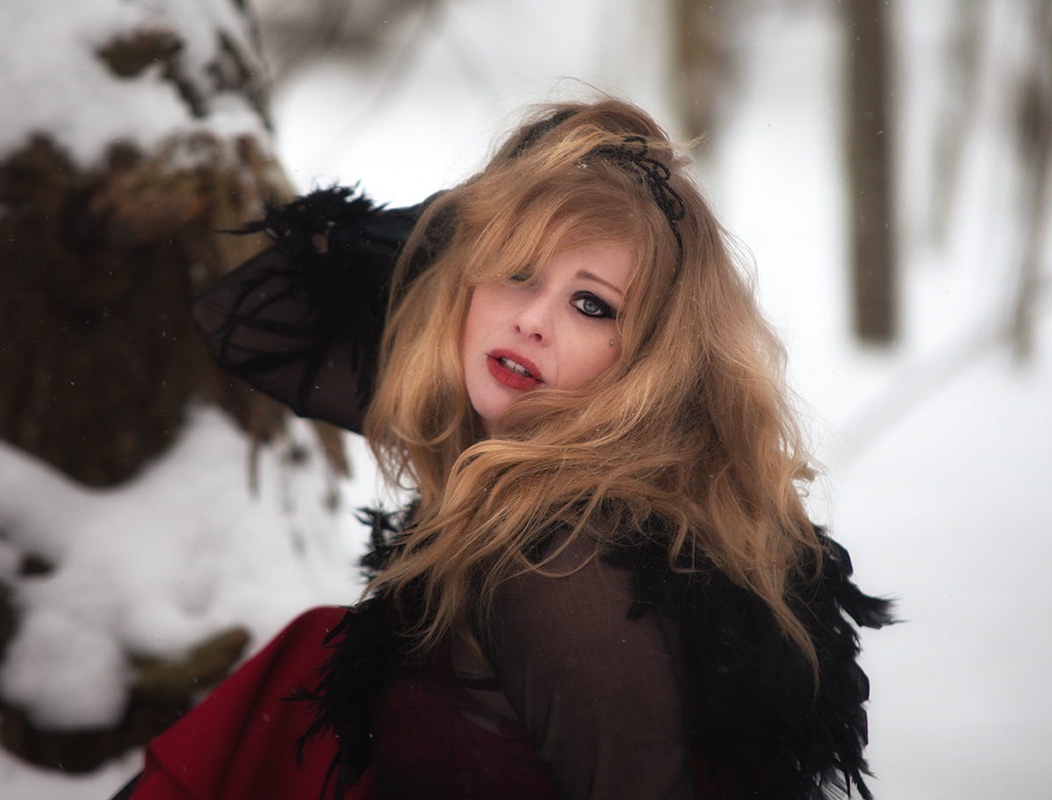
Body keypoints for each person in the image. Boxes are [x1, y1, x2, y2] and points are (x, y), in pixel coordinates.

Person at [121, 98, 892, 800]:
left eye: (591, 305)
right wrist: (493, 206)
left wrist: (507, 221)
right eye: (516, 272)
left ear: (649, 364)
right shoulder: (489, 446)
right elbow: (245, 321)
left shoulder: (561, 561)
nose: (531, 321)